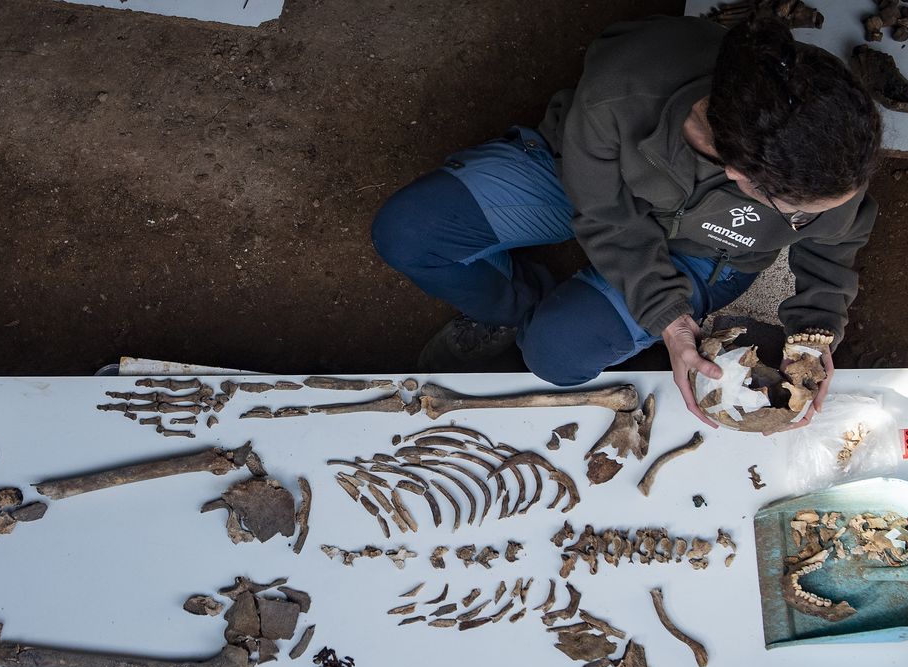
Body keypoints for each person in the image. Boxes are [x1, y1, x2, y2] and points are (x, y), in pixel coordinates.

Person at [370, 15, 881, 428]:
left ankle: (549, 325)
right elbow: (606, 215)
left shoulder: (820, 138)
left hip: (711, 247)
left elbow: (842, 235)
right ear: (735, 173)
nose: (822, 216)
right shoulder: (625, 86)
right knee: (409, 232)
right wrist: (661, 308)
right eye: (797, 214)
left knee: (556, 355)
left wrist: (815, 325)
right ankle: (516, 308)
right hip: (586, 177)